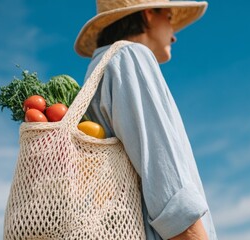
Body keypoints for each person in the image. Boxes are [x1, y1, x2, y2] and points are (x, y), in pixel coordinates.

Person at [74, 0, 217, 239]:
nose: (174, 37)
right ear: (149, 14)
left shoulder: (97, 72)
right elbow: (170, 192)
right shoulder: (129, 57)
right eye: (169, 18)